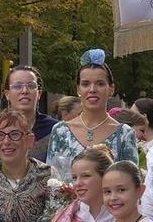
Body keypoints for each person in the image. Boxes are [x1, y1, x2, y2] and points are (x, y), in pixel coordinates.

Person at [44, 52, 136, 181]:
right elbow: (52, 181)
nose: (92, 89)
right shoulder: (60, 131)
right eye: (86, 84)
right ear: (78, 89)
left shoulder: (124, 134)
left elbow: (131, 185)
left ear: (111, 89)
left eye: (100, 84)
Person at [3, 66, 56, 143]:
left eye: (31, 86)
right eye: (17, 86)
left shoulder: (54, 129)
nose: (24, 91)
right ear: (7, 94)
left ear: (39, 94)